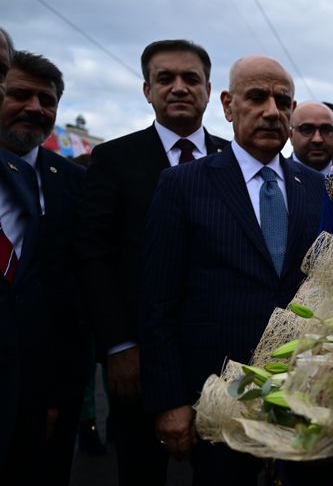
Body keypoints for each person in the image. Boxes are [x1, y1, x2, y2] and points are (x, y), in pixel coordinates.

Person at [140, 55, 330, 485]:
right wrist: (170, 402)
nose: (271, 111)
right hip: (217, 400)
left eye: (283, 101)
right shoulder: (182, 184)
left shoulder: (318, 189)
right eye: (256, 97)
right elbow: (158, 301)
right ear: (227, 106)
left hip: (306, 400)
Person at [75, 39, 227, 486]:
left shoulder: (233, 160)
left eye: (190, 79)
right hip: (139, 358)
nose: (179, 87)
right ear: (147, 90)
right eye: (165, 78)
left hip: (220, 356)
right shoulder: (112, 160)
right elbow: (94, 256)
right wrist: (119, 346)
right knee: (140, 469)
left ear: (208, 89)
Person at [0, 49, 88, 485]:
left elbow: (75, 295)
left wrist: (59, 396)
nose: (35, 108)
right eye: (20, 94)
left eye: (47, 100)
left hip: (40, 394)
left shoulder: (73, 182)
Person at [290, 100, 333, 174]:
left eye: (326, 130)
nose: (317, 139)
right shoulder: (273, 179)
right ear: (291, 135)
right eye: (307, 130)